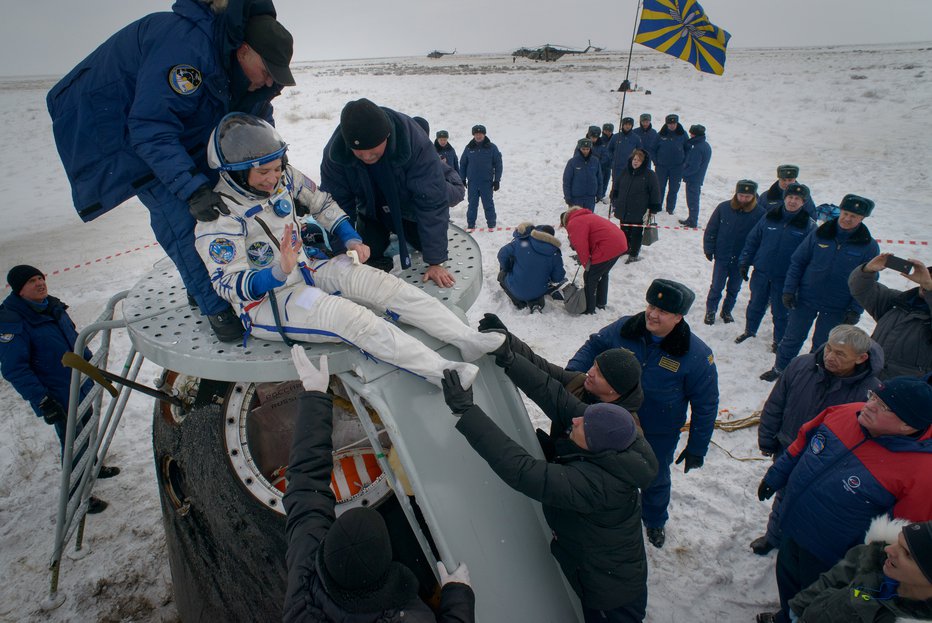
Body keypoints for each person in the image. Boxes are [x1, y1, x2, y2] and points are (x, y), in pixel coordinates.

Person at [47, 1, 296, 343]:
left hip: (179, 130)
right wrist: (192, 189)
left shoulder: (241, 69)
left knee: (227, 202)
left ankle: (217, 283)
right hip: (128, 136)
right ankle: (217, 309)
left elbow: (254, 121)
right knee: (184, 215)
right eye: (268, 70)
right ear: (244, 51)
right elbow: (151, 127)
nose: (269, 81)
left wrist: (273, 167)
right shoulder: (186, 49)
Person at [195, 113, 504, 388]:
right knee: (352, 318)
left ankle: (466, 339)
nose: (273, 179)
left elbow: (323, 204)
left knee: (380, 283)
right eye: (263, 173)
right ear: (235, 172)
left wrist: (351, 239)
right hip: (268, 300)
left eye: (277, 169)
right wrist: (278, 272)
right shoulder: (220, 218)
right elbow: (227, 284)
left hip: (307, 269)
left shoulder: (285, 178)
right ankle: (443, 373)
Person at [441, 344, 658, 623]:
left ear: (594, 447)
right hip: (610, 572)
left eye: (581, 426)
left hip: (610, 595)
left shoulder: (596, 485)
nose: (576, 419)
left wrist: (466, 411)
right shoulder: (618, 439)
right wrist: (510, 359)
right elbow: (558, 398)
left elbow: (522, 470)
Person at [284, 347, 475, 622]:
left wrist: (315, 396)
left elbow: (304, 485)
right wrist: (458, 595)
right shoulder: (409, 616)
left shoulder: (305, 583)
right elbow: (304, 483)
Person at [755, 375, 932, 623]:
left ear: (908, 426)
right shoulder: (845, 413)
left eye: (884, 407)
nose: (869, 405)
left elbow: (904, 536)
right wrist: (776, 475)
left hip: (831, 557)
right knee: (788, 583)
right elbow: (801, 443)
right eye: (874, 397)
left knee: (820, 601)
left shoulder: (923, 473)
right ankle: (786, 616)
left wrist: (868, 570)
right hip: (793, 525)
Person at [566, 279, 719, 548]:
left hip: (655, 432)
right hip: (609, 421)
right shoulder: (626, 328)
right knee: (599, 466)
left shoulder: (696, 355)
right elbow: (594, 345)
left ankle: (654, 519)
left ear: (679, 316)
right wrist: (573, 374)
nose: (653, 314)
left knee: (654, 477)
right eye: (651, 305)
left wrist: (697, 447)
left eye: (663, 311)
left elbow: (706, 404)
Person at [751, 325, 883, 556]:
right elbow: (776, 403)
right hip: (789, 447)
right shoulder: (801, 365)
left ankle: (800, 549)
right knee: (783, 496)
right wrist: (767, 438)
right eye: (829, 349)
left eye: (841, 354)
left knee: (815, 506)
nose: (830, 357)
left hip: (830, 463)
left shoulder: (870, 392)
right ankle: (774, 537)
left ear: (861, 358)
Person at [0, 266, 118, 514]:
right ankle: (75, 494)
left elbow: (73, 338)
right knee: (72, 440)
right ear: (18, 289)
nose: (40, 283)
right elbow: (14, 368)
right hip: (56, 394)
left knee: (88, 426)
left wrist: (91, 365)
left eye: (41, 278)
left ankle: (92, 467)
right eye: (32, 281)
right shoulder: (12, 320)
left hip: (78, 383)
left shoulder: (51, 306)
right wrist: (43, 400)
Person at [319, 98, 458, 288]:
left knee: (422, 242)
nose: (367, 157)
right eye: (359, 153)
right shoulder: (336, 154)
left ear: (386, 136)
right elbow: (335, 204)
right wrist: (342, 250)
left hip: (408, 209)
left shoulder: (415, 142)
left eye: (373, 153)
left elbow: (431, 201)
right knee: (367, 251)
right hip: (372, 209)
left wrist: (435, 261)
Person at [761, 194, 880, 381]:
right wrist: (789, 290)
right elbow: (798, 262)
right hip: (806, 299)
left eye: (854, 216)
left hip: (837, 306)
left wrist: (856, 309)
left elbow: (867, 281)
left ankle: (814, 375)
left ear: (862, 219)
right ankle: (780, 369)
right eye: (846, 213)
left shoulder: (868, 246)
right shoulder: (820, 233)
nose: (848, 219)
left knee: (825, 345)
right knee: (792, 338)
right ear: (840, 211)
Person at [477, 313, 645, 414]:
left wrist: (510, 360)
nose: (591, 372)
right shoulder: (581, 383)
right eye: (594, 366)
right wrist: (509, 341)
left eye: (600, 374)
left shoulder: (616, 427)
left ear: (614, 389)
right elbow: (540, 367)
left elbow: (548, 392)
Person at [780, 517, 932, 623]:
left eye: (906, 553)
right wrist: (798, 609)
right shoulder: (875, 559)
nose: (888, 549)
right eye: (898, 542)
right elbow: (835, 577)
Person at [736, 183, 816, 350]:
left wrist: (801, 281)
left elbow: (810, 257)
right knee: (755, 304)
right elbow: (753, 240)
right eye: (790, 197)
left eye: (797, 199)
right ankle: (750, 331)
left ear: (803, 202)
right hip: (762, 273)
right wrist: (744, 261)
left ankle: (778, 341)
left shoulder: (809, 226)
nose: (792, 201)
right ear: (784, 198)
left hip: (785, 278)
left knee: (781, 313)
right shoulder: (769, 217)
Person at [849, 254, 932, 379]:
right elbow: (861, 288)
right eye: (928, 277)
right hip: (868, 374)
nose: (925, 284)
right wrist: (867, 270)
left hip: (905, 388)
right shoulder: (899, 300)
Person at [701, 180, 765, 325]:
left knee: (734, 289)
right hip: (722, 256)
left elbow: (761, 240)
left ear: (754, 196)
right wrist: (709, 249)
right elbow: (712, 229)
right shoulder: (723, 208)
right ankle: (710, 311)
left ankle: (727, 311)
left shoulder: (760, 213)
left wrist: (753, 258)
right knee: (716, 286)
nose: (743, 199)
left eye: (747, 197)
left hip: (742, 261)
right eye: (741, 195)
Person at [561, 207, 628, 315]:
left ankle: (589, 308)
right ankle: (601, 303)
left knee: (590, 276)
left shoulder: (574, 223)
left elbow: (581, 245)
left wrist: (586, 264)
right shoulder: (587, 216)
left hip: (607, 247)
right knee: (603, 273)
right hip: (620, 243)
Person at [496, 223, 566, 312]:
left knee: (501, 276)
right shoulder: (554, 252)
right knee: (536, 287)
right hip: (539, 290)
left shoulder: (521, 242)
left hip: (517, 288)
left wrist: (507, 268)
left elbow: (502, 254)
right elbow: (558, 278)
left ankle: (520, 303)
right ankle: (536, 302)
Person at [611, 149, 661, 264]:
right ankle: (625, 248)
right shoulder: (625, 171)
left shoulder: (649, 175)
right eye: (634, 159)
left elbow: (655, 192)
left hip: (638, 209)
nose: (636, 162)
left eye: (639, 160)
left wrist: (654, 208)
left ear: (643, 162)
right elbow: (617, 185)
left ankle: (634, 253)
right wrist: (614, 197)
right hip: (624, 208)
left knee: (636, 233)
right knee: (623, 230)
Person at [459, 124, 503, 229]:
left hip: (486, 182)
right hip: (473, 182)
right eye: (476, 134)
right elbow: (463, 164)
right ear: (473, 135)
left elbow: (498, 164)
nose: (478, 136)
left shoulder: (492, 148)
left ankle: (491, 224)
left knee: (488, 204)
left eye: (480, 134)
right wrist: (462, 178)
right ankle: (471, 224)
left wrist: (497, 180)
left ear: (484, 134)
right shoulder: (469, 148)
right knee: (472, 205)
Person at [654, 114, 687, 215]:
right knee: (660, 187)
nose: (672, 125)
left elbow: (688, 149)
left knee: (673, 189)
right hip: (662, 167)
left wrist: (684, 162)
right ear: (666, 124)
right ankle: (658, 206)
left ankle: (670, 208)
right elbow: (653, 149)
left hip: (677, 167)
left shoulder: (683, 134)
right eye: (670, 124)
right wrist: (656, 162)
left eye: (674, 123)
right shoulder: (660, 134)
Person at [679, 124, 712, 228]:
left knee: (692, 199)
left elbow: (694, 167)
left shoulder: (697, 148)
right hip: (697, 178)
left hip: (693, 179)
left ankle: (692, 220)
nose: (690, 135)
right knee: (694, 199)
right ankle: (692, 218)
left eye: (691, 133)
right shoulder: (705, 145)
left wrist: (683, 173)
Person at [563, 138, 603, 210]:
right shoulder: (572, 162)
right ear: (579, 149)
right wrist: (567, 197)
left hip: (590, 198)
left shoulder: (595, 161)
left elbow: (599, 179)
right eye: (583, 149)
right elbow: (567, 181)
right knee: (576, 219)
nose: (585, 151)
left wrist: (599, 194)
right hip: (576, 198)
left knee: (588, 219)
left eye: (587, 149)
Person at [608, 117, 642, 194]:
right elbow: (609, 149)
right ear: (622, 125)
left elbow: (640, 151)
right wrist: (612, 159)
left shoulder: (636, 138)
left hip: (630, 167)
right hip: (617, 167)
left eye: (629, 125)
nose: (627, 126)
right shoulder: (616, 137)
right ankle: (614, 202)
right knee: (616, 185)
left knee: (629, 185)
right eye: (626, 124)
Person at [599, 123, 615, 200]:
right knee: (599, 181)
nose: (608, 132)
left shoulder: (615, 140)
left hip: (609, 166)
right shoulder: (600, 140)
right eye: (606, 130)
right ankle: (597, 196)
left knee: (606, 181)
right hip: (600, 165)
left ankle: (602, 195)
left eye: (610, 131)